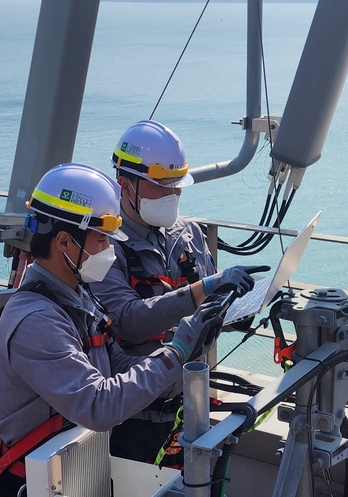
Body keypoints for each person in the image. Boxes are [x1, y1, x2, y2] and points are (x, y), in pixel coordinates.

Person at [0, 163, 224, 497]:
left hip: (75, 473)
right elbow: (98, 405)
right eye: (101, 240)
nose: (109, 251)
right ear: (64, 242)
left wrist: (180, 370)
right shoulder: (37, 320)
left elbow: (117, 362)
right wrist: (174, 353)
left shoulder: (76, 297)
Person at [91, 120, 266, 466]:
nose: (173, 194)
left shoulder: (189, 235)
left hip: (188, 408)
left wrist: (245, 303)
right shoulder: (102, 245)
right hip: (132, 418)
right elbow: (129, 321)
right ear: (125, 185)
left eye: (177, 184)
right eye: (162, 185)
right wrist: (206, 289)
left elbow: (211, 307)